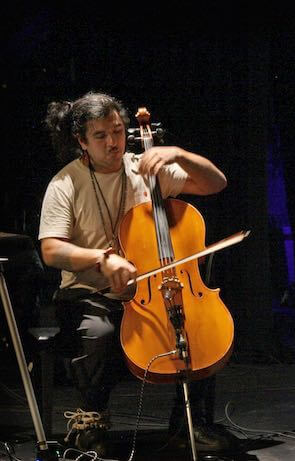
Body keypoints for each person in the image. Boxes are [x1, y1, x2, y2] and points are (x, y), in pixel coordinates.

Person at [39, 91, 234, 455]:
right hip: (91, 294)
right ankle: (90, 424)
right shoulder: (65, 183)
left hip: (154, 289)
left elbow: (215, 183)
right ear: (81, 141)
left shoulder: (146, 170)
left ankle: (189, 425)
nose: (113, 142)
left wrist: (179, 155)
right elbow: (51, 250)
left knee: (196, 323)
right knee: (99, 331)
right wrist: (102, 259)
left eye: (117, 131)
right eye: (100, 136)